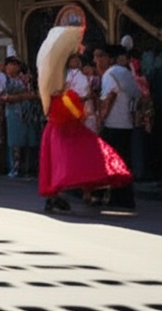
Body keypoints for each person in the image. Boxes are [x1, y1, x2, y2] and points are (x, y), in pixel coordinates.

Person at [38, 29, 132, 212]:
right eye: (73, 58)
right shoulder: (61, 79)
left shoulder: (67, 78)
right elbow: (73, 102)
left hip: (68, 124)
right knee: (65, 159)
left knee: (73, 158)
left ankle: (80, 193)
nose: (77, 60)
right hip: (65, 125)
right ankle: (59, 194)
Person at [98, 45, 141, 209]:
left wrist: (102, 118)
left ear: (110, 59)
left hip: (113, 123)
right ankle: (126, 196)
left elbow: (110, 96)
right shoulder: (126, 73)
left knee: (114, 161)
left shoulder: (110, 74)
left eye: (102, 57)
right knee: (125, 159)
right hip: (126, 123)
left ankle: (117, 196)